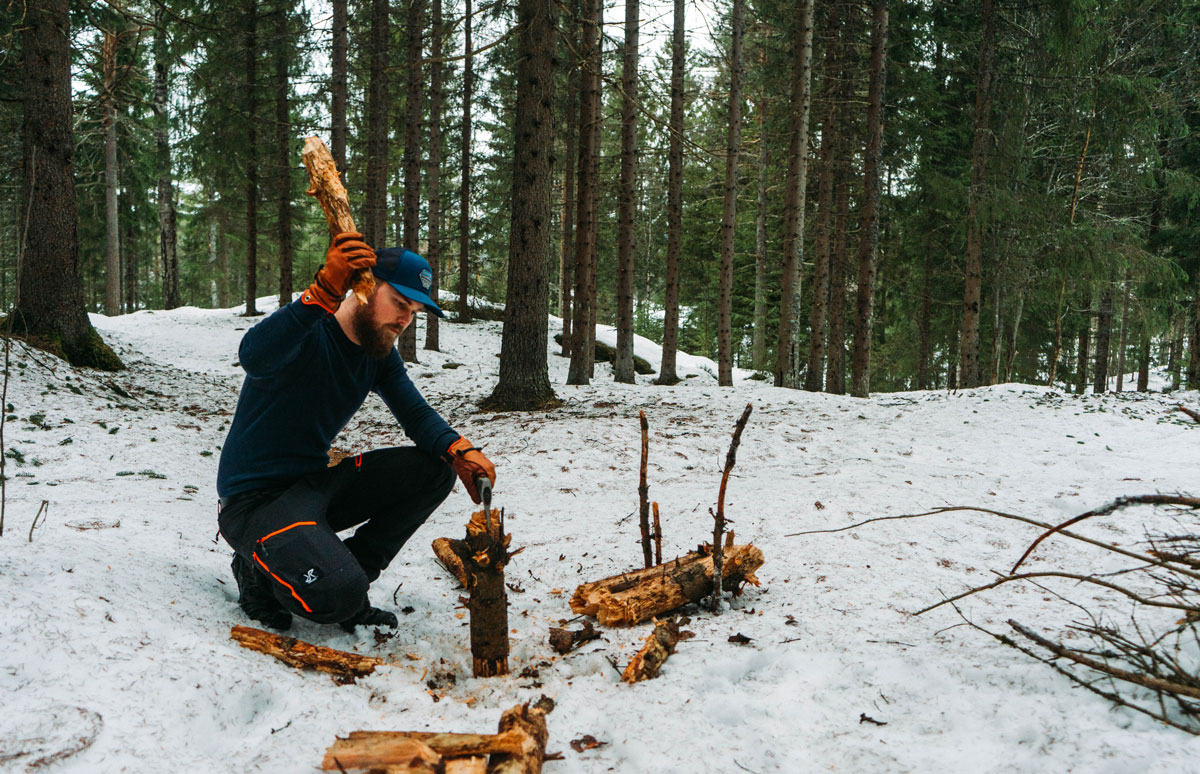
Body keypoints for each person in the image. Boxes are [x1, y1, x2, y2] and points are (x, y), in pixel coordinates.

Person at [216, 232, 495, 632]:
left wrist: (459, 450)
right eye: (399, 303)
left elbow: (415, 413)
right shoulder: (308, 329)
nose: (405, 319)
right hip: (254, 503)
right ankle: (258, 573)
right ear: (364, 287)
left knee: (434, 471)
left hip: (313, 488)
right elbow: (254, 356)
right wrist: (322, 291)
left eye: (413, 310)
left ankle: (346, 576)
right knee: (336, 596)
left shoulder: (376, 354)